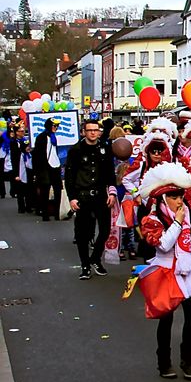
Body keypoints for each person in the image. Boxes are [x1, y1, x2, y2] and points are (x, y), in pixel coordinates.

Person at [138, 162, 191, 380]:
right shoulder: (152, 219)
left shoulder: (188, 213)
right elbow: (162, 244)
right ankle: (164, 363)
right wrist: (178, 223)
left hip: (187, 270)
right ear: (163, 198)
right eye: (173, 196)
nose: (179, 200)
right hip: (165, 272)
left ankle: (187, 361)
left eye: (181, 195)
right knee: (166, 319)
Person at [64, 119, 118, 280]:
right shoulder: (76, 150)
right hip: (83, 196)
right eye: (90, 130)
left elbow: (110, 173)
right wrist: (72, 198)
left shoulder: (104, 148)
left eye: (96, 130)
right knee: (83, 234)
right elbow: (69, 176)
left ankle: (95, 258)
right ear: (84, 132)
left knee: (105, 230)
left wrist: (112, 193)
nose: (93, 133)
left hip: (101, 195)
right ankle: (85, 265)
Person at [33, 118, 63, 221]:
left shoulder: (54, 137)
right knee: (45, 191)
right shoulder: (41, 137)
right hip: (45, 167)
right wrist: (37, 171)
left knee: (58, 190)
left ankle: (57, 213)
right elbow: (37, 155)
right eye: (54, 126)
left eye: (57, 126)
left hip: (55, 165)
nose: (56, 128)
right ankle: (45, 214)